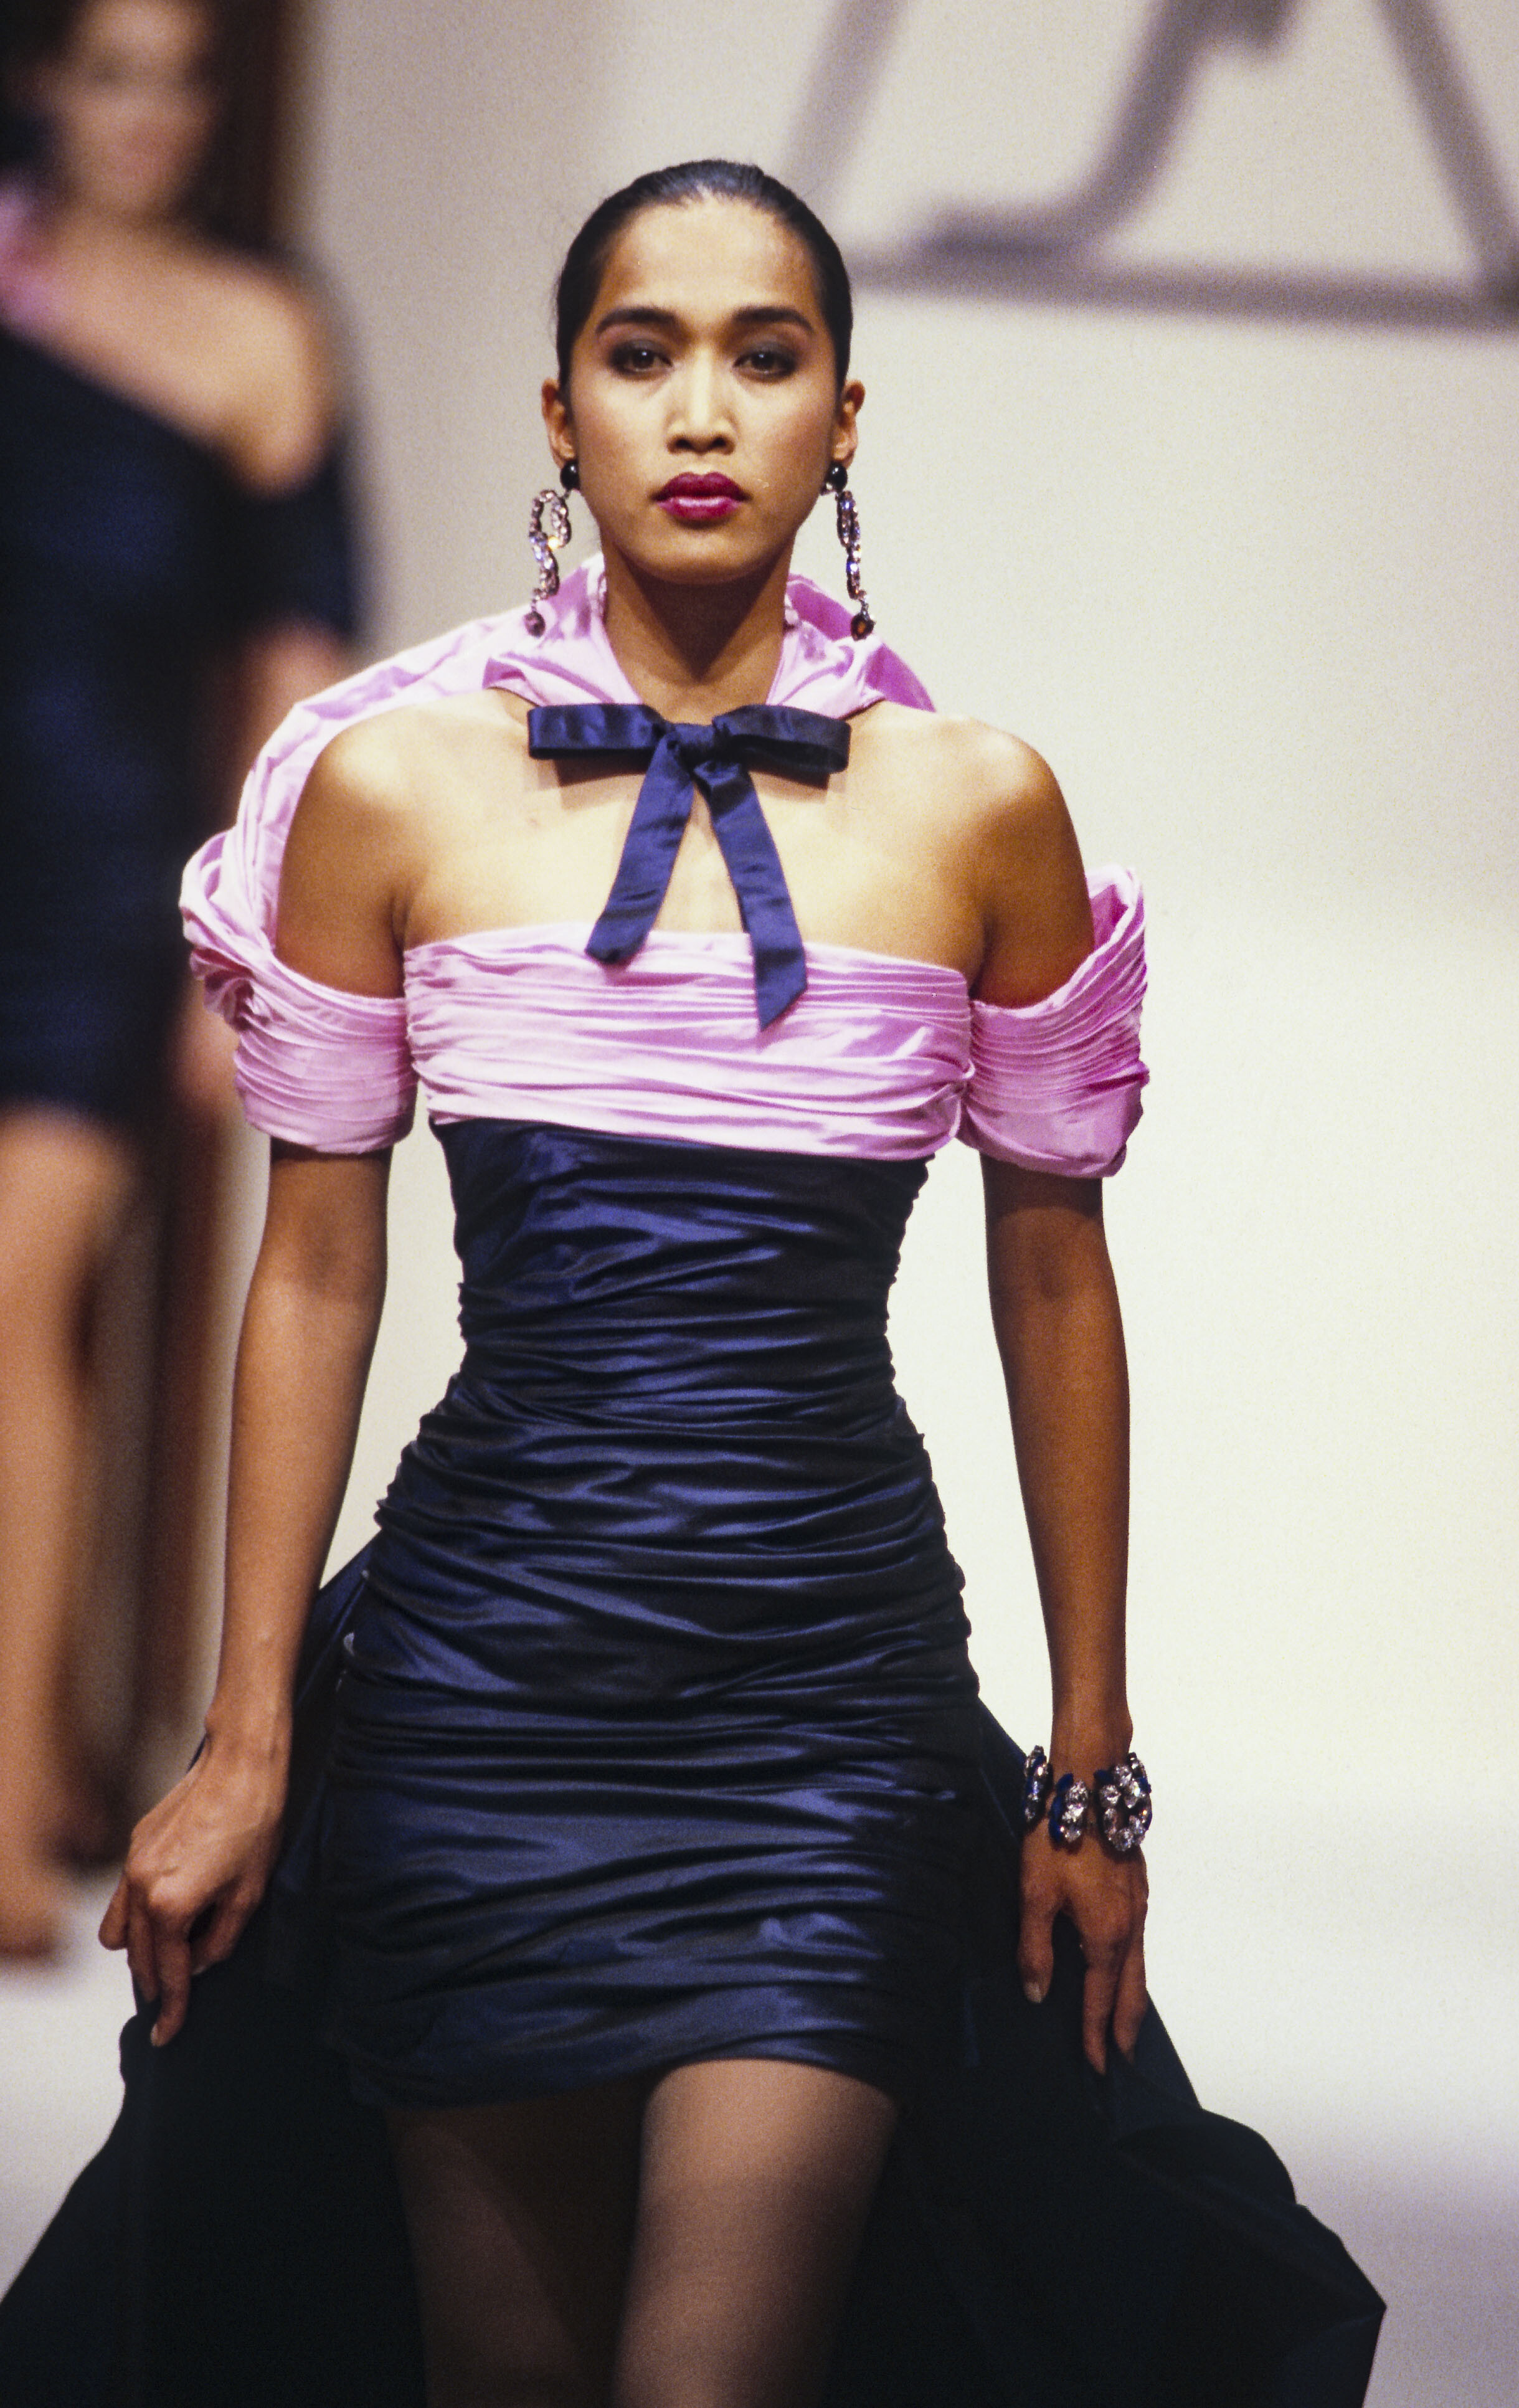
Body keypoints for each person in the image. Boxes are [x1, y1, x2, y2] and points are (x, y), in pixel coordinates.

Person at [9, 159, 1381, 2407]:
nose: (705, 407)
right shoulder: (391, 796)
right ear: (560, 413)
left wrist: (1090, 1764)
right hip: (481, 1706)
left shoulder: (978, 809)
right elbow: (317, 1271)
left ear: (848, 413)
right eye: (644, 354)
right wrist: (250, 1735)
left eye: (767, 352)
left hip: (825, 1710)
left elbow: (1056, 1285)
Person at [0, 0, 359, 1957]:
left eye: (183, 76)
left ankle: (4, 1823)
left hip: (103, 891)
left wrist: (251, 953)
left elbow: (298, 667)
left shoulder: (261, 330)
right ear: (43, 83)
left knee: (16, 1294)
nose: (147, 114)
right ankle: (40, 1754)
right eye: (110, 71)